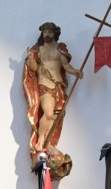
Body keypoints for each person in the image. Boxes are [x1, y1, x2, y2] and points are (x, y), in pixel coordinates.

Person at [23, 22, 83, 163]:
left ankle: (47, 143)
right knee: (48, 113)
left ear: (55, 33)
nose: (47, 35)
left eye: (50, 32)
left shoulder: (59, 49)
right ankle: (41, 140)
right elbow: (33, 68)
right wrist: (31, 60)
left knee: (55, 117)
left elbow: (66, 66)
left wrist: (76, 72)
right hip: (44, 84)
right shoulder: (38, 49)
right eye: (45, 32)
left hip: (58, 86)